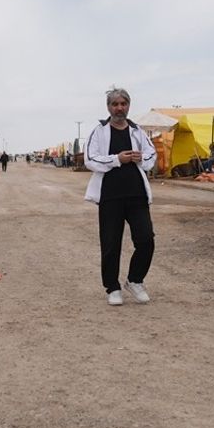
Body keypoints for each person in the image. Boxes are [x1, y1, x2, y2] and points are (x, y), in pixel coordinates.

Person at [84, 87, 156, 306]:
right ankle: (112, 287)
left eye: (123, 103)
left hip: (137, 195)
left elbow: (152, 154)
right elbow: (90, 159)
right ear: (108, 107)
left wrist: (141, 158)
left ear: (128, 105)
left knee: (146, 240)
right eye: (115, 104)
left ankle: (135, 280)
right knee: (110, 243)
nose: (119, 108)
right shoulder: (99, 131)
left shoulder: (137, 131)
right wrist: (117, 159)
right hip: (110, 196)